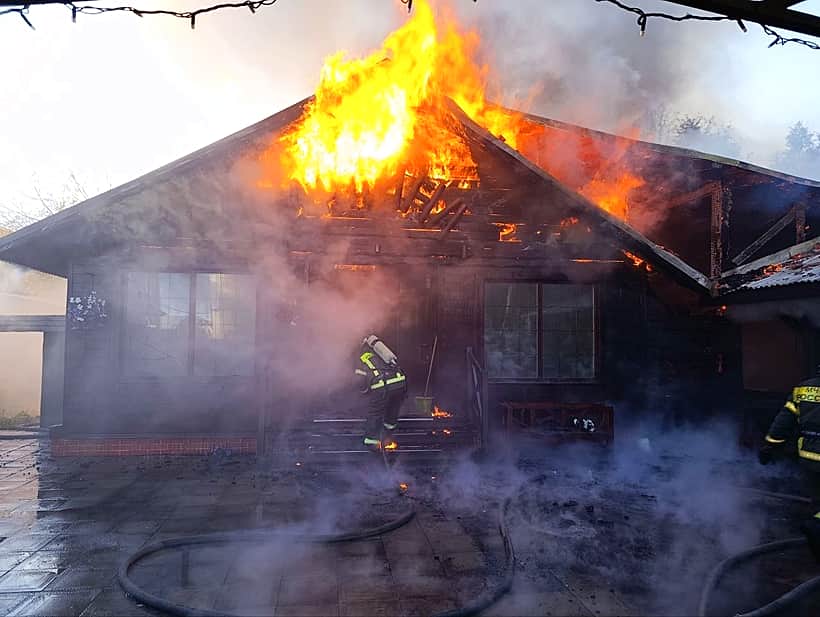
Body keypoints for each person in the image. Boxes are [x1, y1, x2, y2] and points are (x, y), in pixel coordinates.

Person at [759, 364, 820, 561]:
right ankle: (815, 528)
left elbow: (783, 422)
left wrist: (769, 447)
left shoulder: (803, 390)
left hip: (809, 460)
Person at [355, 334, 407, 451]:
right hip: (400, 383)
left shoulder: (361, 358)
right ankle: (387, 437)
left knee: (375, 413)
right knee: (392, 410)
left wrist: (364, 392)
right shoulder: (381, 353)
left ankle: (372, 443)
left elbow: (360, 380)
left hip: (382, 386)